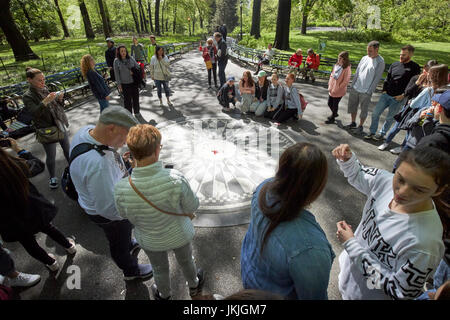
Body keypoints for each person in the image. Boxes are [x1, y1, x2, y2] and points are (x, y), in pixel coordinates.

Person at [333, 144, 448, 299]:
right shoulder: (385, 181)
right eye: (400, 179)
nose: (401, 192)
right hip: (347, 280)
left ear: (439, 190)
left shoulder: (425, 245)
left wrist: (351, 245)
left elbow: (398, 290)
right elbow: (359, 175)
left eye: (418, 189)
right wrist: (347, 160)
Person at [114, 124, 204, 300]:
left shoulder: (121, 188)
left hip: (149, 239)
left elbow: (123, 215)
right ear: (157, 150)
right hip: (179, 233)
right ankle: (194, 285)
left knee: (159, 268)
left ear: (131, 153)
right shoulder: (175, 178)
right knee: (187, 260)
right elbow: (192, 206)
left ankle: (164, 294)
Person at [241, 142, 335, 300]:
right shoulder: (310, 247)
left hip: (250, 277)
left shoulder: (264, 188)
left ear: (281, 169)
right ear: (317, 186)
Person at [69, 106, 152, 281]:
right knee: (118, 243)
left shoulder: (86, 132)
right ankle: (131, 271)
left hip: (101, 201)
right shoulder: (99, 164)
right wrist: (133, 213)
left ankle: (129, 243)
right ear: (111, 128)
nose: (126, 143)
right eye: (125, 137)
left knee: (123, 237)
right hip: (111, 216)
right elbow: (108, 209)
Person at [0, 138, 76, 272]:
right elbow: (37, 165)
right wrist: (19, 150)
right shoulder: (10, 165)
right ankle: (69, 247)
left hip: (9, 221)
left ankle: (51, 263)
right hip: (31, 209)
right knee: (48, 228)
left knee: (29, 243)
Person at [23, 67, 70, 189]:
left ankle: (74, 169)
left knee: (67, 150)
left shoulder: (45, 89)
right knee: (51, 155)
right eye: (39, 80)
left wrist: (60, 99)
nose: (43, 82)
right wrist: (45, 101)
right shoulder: (28, 96)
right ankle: (52, 177)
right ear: (29, 80)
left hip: (59, 124)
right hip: (46, 129)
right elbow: (34, 113)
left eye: (43, 79)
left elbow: (57, 107)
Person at [378, 60, 439, 153]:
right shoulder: (416, 78)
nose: (426, 74)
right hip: (408, 109)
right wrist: (417, 84)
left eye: (429, 72)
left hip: (419, 112)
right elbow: (407, 92)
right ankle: (386, 142)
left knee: (410, 132)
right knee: (396, 127)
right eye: (425, 70)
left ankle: (402, 147)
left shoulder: (433, 84)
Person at [365, 45, 421, 140]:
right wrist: (384, 90)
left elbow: (414, 84)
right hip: (386, 95)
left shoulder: (415, 67)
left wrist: (404, 95)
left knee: (389, 118)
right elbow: (388, 78)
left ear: (411, 54)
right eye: (400, 54)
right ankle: (372, 131)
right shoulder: (394, 64)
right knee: (375, 113)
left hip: (398, 98)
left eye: (404, 55)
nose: (401, 56)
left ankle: (381, 134)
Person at [344, 41, 385, 134]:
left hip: (366, 91)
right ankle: (353, 122)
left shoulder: (380, 61)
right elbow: (357, 72)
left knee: (363, 110)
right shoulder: (364, 58)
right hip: (356, 87)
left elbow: (377, 78)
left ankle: (360, 126)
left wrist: (369, 91)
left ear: (376, 49)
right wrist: (352, 85)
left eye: (370, 51)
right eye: (367, 50)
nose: (368, 53)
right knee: (352, 106)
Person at [114, 45, 141, 116]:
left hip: (133, 82)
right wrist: (119, 85)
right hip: (124, 84)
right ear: (119, 52)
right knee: (127, 101)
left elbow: (138, 67)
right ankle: (129, 114)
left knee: (136, 98)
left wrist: (133, 71)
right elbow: (116, 74)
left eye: (124, 51)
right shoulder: (116, 61)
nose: (123, 52)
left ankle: (137, 112)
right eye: (121, 51)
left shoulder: (131, 58)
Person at [325, 51, 352, 124]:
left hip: (339, 90)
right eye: (338, 58)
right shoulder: (337, 65)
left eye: (340, 58)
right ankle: (335, 113)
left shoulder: (347, 68)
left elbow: (346, 80)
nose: (338, 60)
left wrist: (339, 87)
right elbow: (332, 75)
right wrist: (329, 83)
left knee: (334, 104)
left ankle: (332, 118)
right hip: (332, 88)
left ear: (344, 59)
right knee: (329, 103)